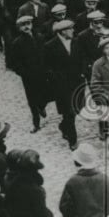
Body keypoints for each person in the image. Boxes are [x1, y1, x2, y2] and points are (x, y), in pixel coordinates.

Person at [44, 19, 82, 149]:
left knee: (75, 110)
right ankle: (73, 140)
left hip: (77, 83)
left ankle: (63, 126)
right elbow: (47, 67)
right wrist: (55, 77)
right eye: (70, 29)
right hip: (61, 86)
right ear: (63, 31)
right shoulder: (50, 46)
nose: (73, 31)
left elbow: (81, 59)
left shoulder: (76, 42)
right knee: (68, 112)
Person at [9, 15, 49, 133]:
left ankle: (41, 107)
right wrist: (24, 73)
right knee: (32, 100)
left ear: (32, 25)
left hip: (42, 73)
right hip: (29, 77)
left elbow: (46, 54)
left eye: (28, 24)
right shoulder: (17, 43)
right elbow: (14, 63)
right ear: (19, 28)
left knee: (45, 94)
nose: (26, 27)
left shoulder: (40, 38)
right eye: (23, 25)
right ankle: (36, 123)